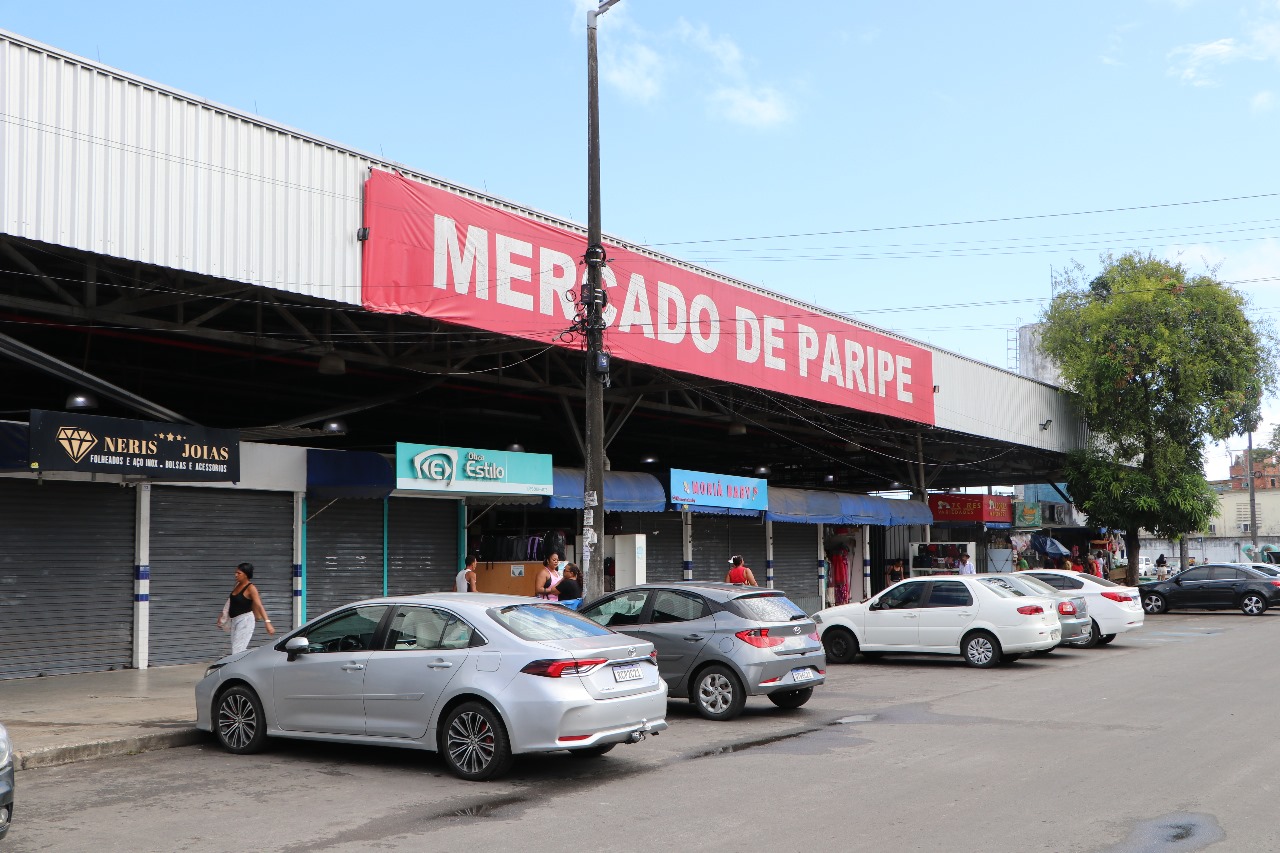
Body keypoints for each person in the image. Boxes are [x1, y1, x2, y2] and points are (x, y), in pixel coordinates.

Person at [216, 562, 274, 654]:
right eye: (236, 572)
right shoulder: (237, 585)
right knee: (237, 649)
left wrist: (267, 622)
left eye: (239, 573)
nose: (236, 575)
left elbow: (259, 605)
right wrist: (222, 615)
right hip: (235, 620)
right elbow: (231, 602)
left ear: (246, 575)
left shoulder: (251, 588)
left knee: (237, 650)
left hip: (245, 621)